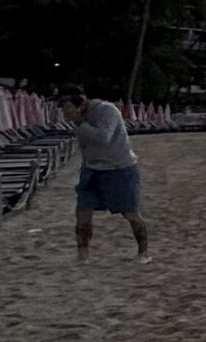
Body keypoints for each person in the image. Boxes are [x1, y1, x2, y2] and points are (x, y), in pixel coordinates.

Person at [55, 85, 148, 261]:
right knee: (83, 212)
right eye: (63, 108)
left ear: (81, 102)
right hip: (91, 169)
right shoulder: (77, 118)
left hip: (119, 168)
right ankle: (83, 255)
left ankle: (143, 253)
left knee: (130, 212)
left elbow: (102, 138)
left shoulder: (106, 111)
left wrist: (80, 122)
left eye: (67, 107)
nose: (65, 112)